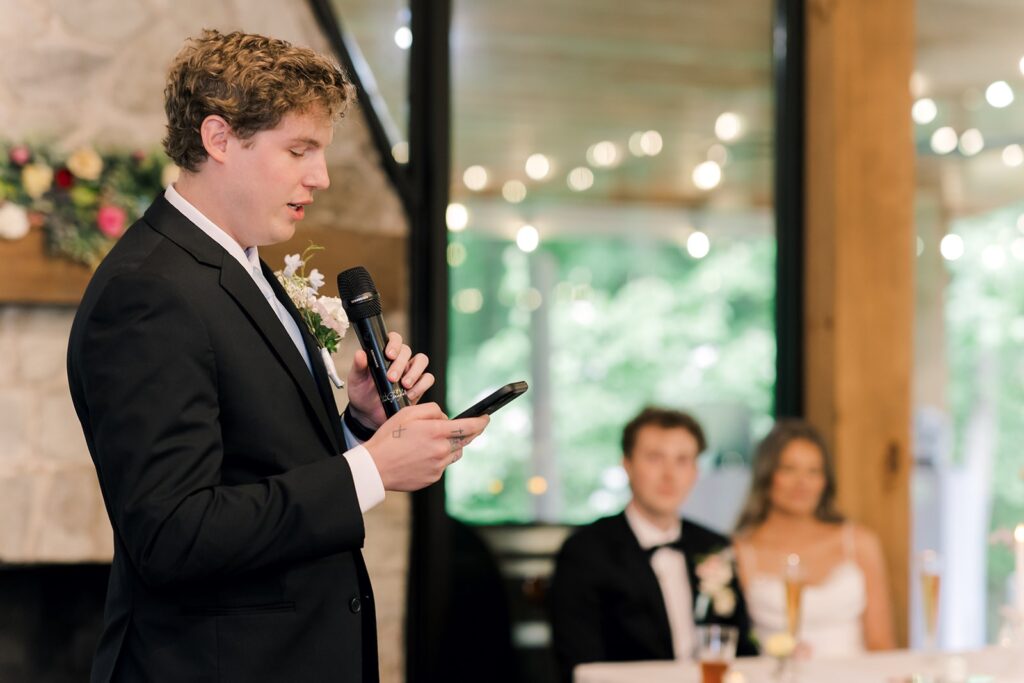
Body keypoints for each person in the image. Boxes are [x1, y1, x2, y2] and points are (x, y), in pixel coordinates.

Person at [66, 30, 488, 683]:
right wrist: (372, 469)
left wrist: (359, 425)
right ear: (218, 138)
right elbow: (172, 533)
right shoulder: (149, 291)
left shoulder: (241, 266)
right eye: (299, 150)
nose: (320, 176)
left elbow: (259, 462)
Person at [549, 407, 756, 682]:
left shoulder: (714, 545)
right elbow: (580, 664)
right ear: (627, 464)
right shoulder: (585, 552)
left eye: (682, 460)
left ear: (695, 471)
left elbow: (740, 648)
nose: (669, 474)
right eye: (655, 458)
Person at [733, 419, 895, 658]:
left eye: (813, 471)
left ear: (825, 481)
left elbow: (881, 643)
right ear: (767, 475)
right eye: (789, 469)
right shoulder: (740, 550)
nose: (802, 483)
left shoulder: (859, 541)